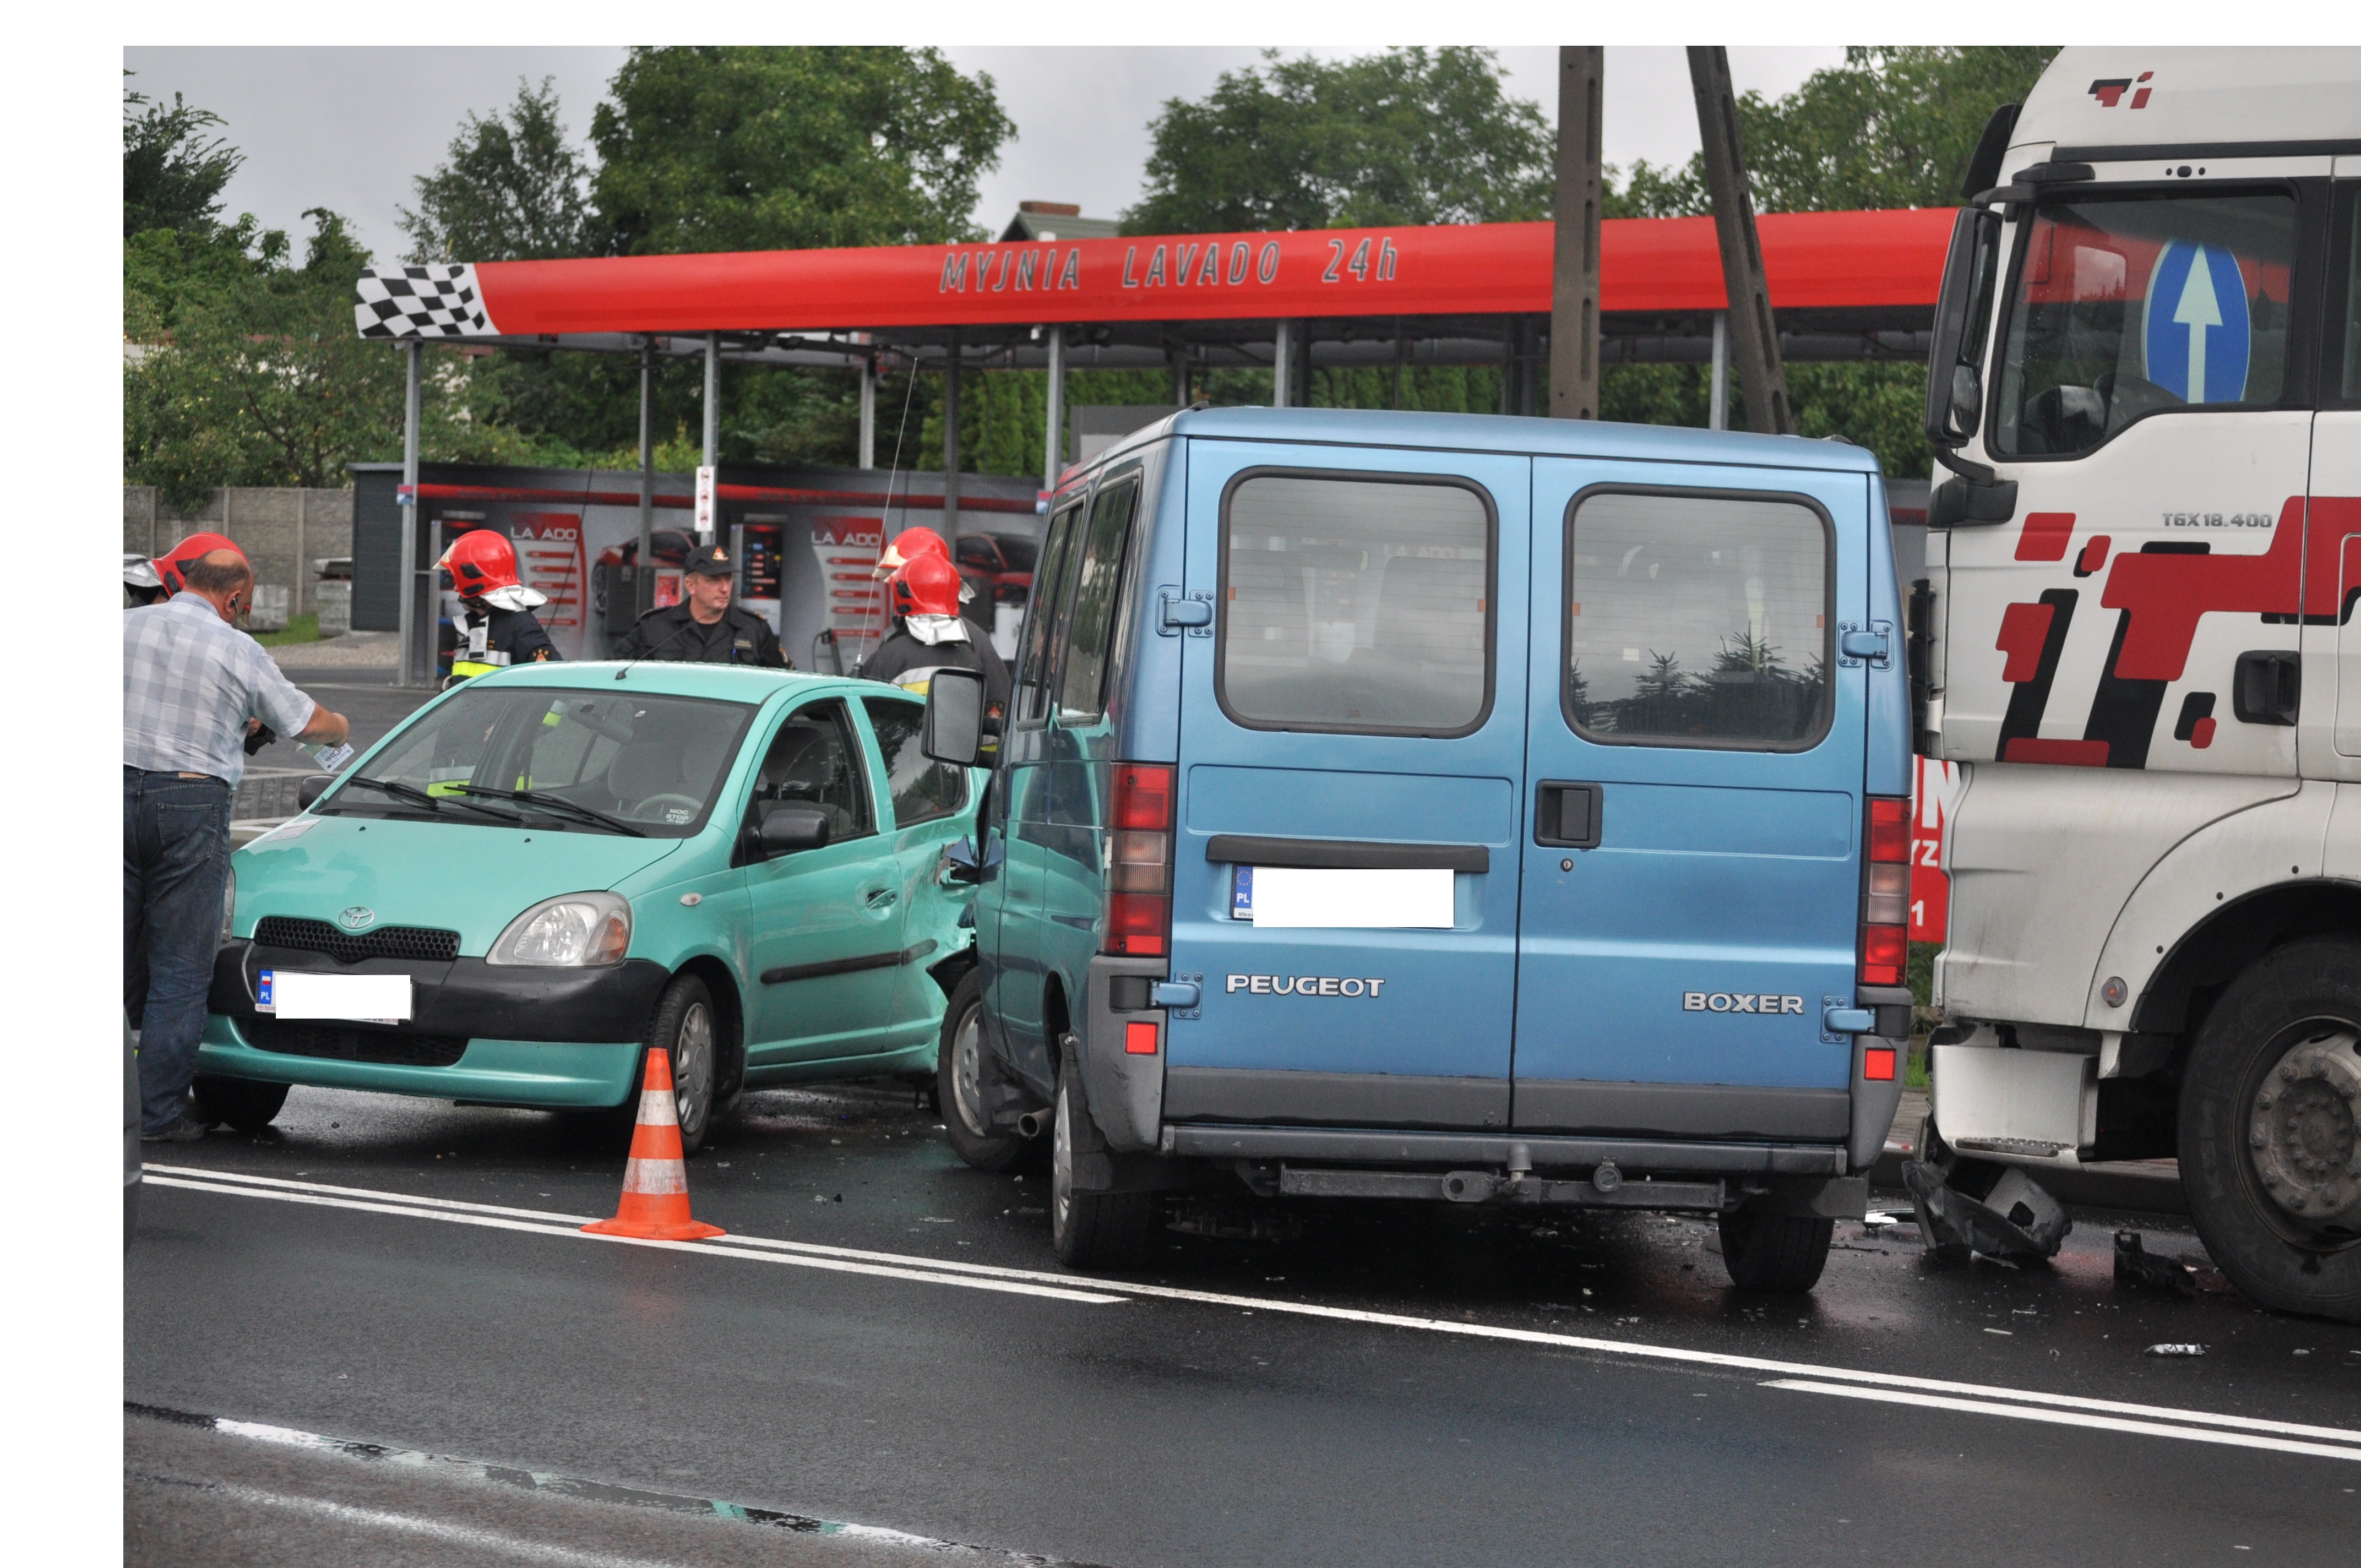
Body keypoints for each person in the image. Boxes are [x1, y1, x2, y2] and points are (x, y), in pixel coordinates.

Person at [126, 549, 350, 1142]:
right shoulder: (237, 650)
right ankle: (154, 1119)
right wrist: (341, 728)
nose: (242, 616)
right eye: (243, 608)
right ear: (232, 599)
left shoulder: (122, 627)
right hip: (189, 804)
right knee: (179, 967)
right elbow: (306, 723)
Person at [862, 553, 1011, 718]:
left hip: (904, 743)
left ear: (905, 593)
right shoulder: (971, 655)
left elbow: (867, 717)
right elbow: (994, 715)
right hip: (961, 744)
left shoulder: (889, 656)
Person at [619, 542, 791, 667]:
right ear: (691, 585)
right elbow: (614, 673)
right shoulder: (654, 627)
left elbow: (787, 682)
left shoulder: (754, 629)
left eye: (728, 579)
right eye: (714, 580)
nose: (725, 588)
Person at [437, 529, 559, 682]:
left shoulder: (520, 625)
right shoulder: (473, 624)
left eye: (458, 581)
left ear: (474, 580)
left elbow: (555, 682)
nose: (455, 589)